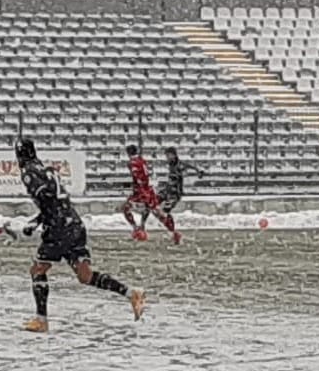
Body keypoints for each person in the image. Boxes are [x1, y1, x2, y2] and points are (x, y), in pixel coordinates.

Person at [13, 137, 146, 332]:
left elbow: (47, 198)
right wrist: (38, 221)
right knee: (85, 275)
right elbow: (58, 199)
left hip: (58, 227)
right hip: (73, 223)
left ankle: (41, 320)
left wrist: (38, 222)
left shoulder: (29, 173)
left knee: (38, 270)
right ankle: (131, 293)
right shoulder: (46, 170)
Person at [139, 147, 201, 241]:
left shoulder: (179, 165)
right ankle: (142, 227)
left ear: (173, 155)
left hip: (174, 193)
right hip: (167, 191)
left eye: (168, 155)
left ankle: (173, 232)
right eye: (166, 155)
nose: (166, 157)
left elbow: (187, 166)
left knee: (165, 212)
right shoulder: (171, 164)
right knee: (149, 203)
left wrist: (198, 171)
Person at [120, 144, 178, 244]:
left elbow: (138, 178)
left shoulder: (133, 163)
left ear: (128, 153)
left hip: (140, 191)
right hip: (149, 189)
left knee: (126, 208)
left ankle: (137, 229)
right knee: (156, 212)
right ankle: (173, 232)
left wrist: (140, 191)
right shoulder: (142, 160)